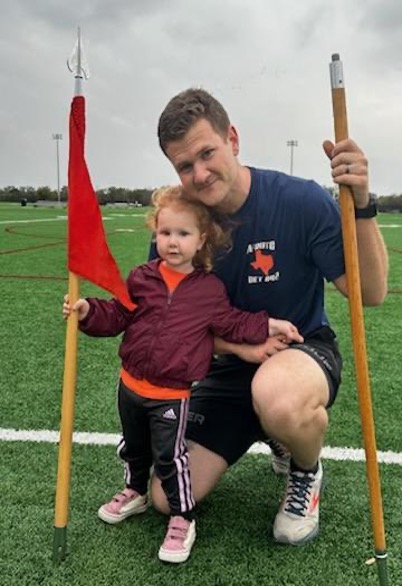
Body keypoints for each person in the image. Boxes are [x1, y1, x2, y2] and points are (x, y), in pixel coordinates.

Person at [149, 88, 388, 546]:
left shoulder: (300, 200)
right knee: (165, 496)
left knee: (276, 395)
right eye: (183, 165)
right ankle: (273, 433)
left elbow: (371, 294)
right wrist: (240, 346)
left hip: (302, 354)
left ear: (232, 139)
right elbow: (170, 326)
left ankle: (304, 469)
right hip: (226, 368)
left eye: (206, 153)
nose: (198, 174)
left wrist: (362, 204)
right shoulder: (180, 222)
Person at [63, 185, 303, 563]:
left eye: (183, 234)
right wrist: (88, 312)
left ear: (201, 239)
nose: (172, 242)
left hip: (170, 396)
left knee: (171, 459)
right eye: (164, 232)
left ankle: (182, 517)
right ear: (155, 232)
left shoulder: (208, 289)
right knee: (134, 448)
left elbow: (232, 322)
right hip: (129, 386)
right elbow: (118, 315)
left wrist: (268, 324)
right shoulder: (141, 278)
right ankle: (135, 491)